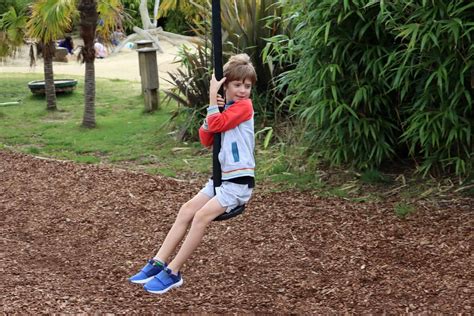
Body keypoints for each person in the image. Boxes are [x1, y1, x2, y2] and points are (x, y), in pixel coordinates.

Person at [128, 53, 257, 294]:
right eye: (237, 85)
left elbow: (217, 125)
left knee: (200, 217)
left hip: (238, 181)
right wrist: (215, 109)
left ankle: (174, 271)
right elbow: (206, 138)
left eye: (247, 86)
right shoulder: (224, 109)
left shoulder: (244, 107)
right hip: (221, 178)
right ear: (225, 85)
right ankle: (158, 261)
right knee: (187, 209)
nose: (242, 90)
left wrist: (211, 100)